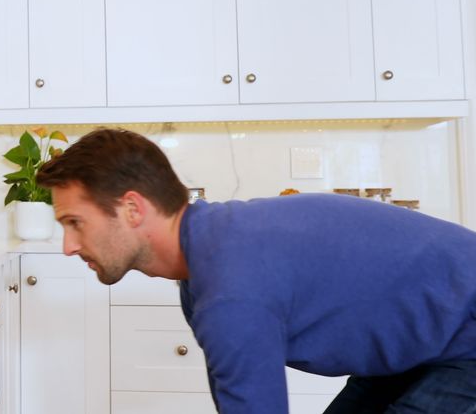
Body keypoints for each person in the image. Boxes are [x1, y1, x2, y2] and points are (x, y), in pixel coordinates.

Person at [35, 127, 476, 413]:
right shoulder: (204, 258)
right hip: (426, 342)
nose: (69, 247)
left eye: (76, 223)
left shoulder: (229, 289)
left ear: (132, 208)